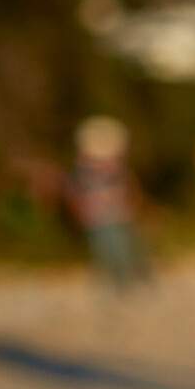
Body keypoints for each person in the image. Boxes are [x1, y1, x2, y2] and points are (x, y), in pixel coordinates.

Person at [64, 116, 151, 292]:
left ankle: (134, 278)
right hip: (97, 218)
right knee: (106, 249)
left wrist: (134, 204)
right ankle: (118, 281)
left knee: (127, 248)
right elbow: (73, 192)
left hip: (119, 215)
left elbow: (130, 187)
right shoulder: (82, 172)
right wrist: (79, 211)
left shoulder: (118, 169)